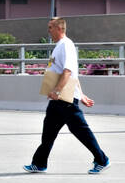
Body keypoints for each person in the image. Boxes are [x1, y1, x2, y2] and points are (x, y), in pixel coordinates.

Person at [24, 17, 110, 173]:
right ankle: (39, 163)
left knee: (81, 130)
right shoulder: (59, 46)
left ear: (59, 28)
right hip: (59, 99)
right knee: (48, 131)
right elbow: (71, 73)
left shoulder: (66, 45)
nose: (48, 30)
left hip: (65, 97)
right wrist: (82, 94)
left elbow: (69, 71)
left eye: (50, 27)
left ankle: (102, 160)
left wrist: (58, 91)